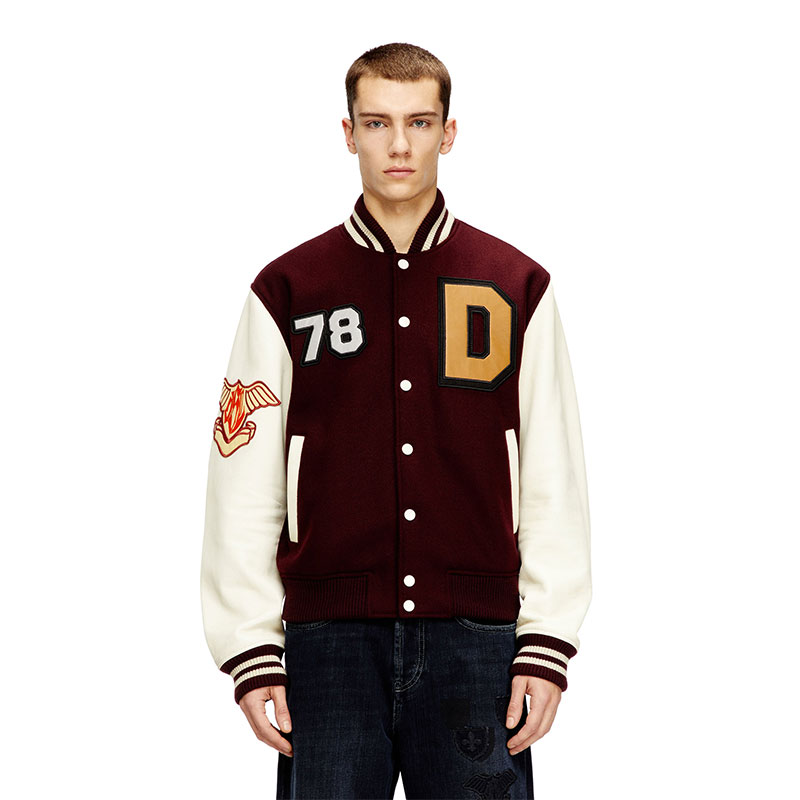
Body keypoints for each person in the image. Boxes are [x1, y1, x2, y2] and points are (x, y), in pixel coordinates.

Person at [200, 42, 592, 799]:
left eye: (420, 122)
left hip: (479, 644)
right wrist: (250, 646)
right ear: (349, 134)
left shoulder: (515, 285)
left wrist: (546, 640)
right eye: (378, 123)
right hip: (327, 646)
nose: (400, 145)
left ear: (450, 132)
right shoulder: (288, 289)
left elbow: (552, 470)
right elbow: (243, 480)